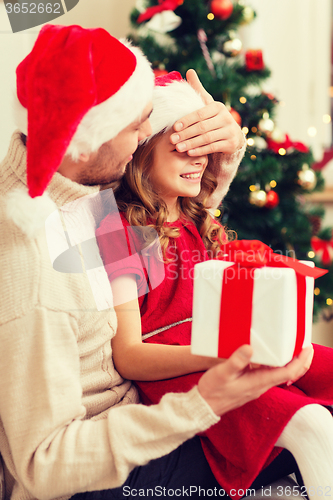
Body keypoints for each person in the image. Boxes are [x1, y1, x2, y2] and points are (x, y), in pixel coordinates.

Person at [0, 24, 313, 500]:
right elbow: (45, 465)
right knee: (300, 439)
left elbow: (173, 215)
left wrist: (225, 150)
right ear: (87, 138)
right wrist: (202, 403)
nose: (147, 134)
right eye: (136, 125)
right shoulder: (35, 265)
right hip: (99, 473)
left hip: (141, 416)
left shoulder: (91, 192)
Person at [96, 72, 333, 499]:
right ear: (142, 148)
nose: (201, 161)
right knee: (309, 425)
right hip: (183, 370)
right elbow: (129, 355)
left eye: (206, 151)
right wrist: (220, 355)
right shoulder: (123, 229)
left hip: (231, 347)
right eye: (186, 148)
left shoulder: (197, 218)